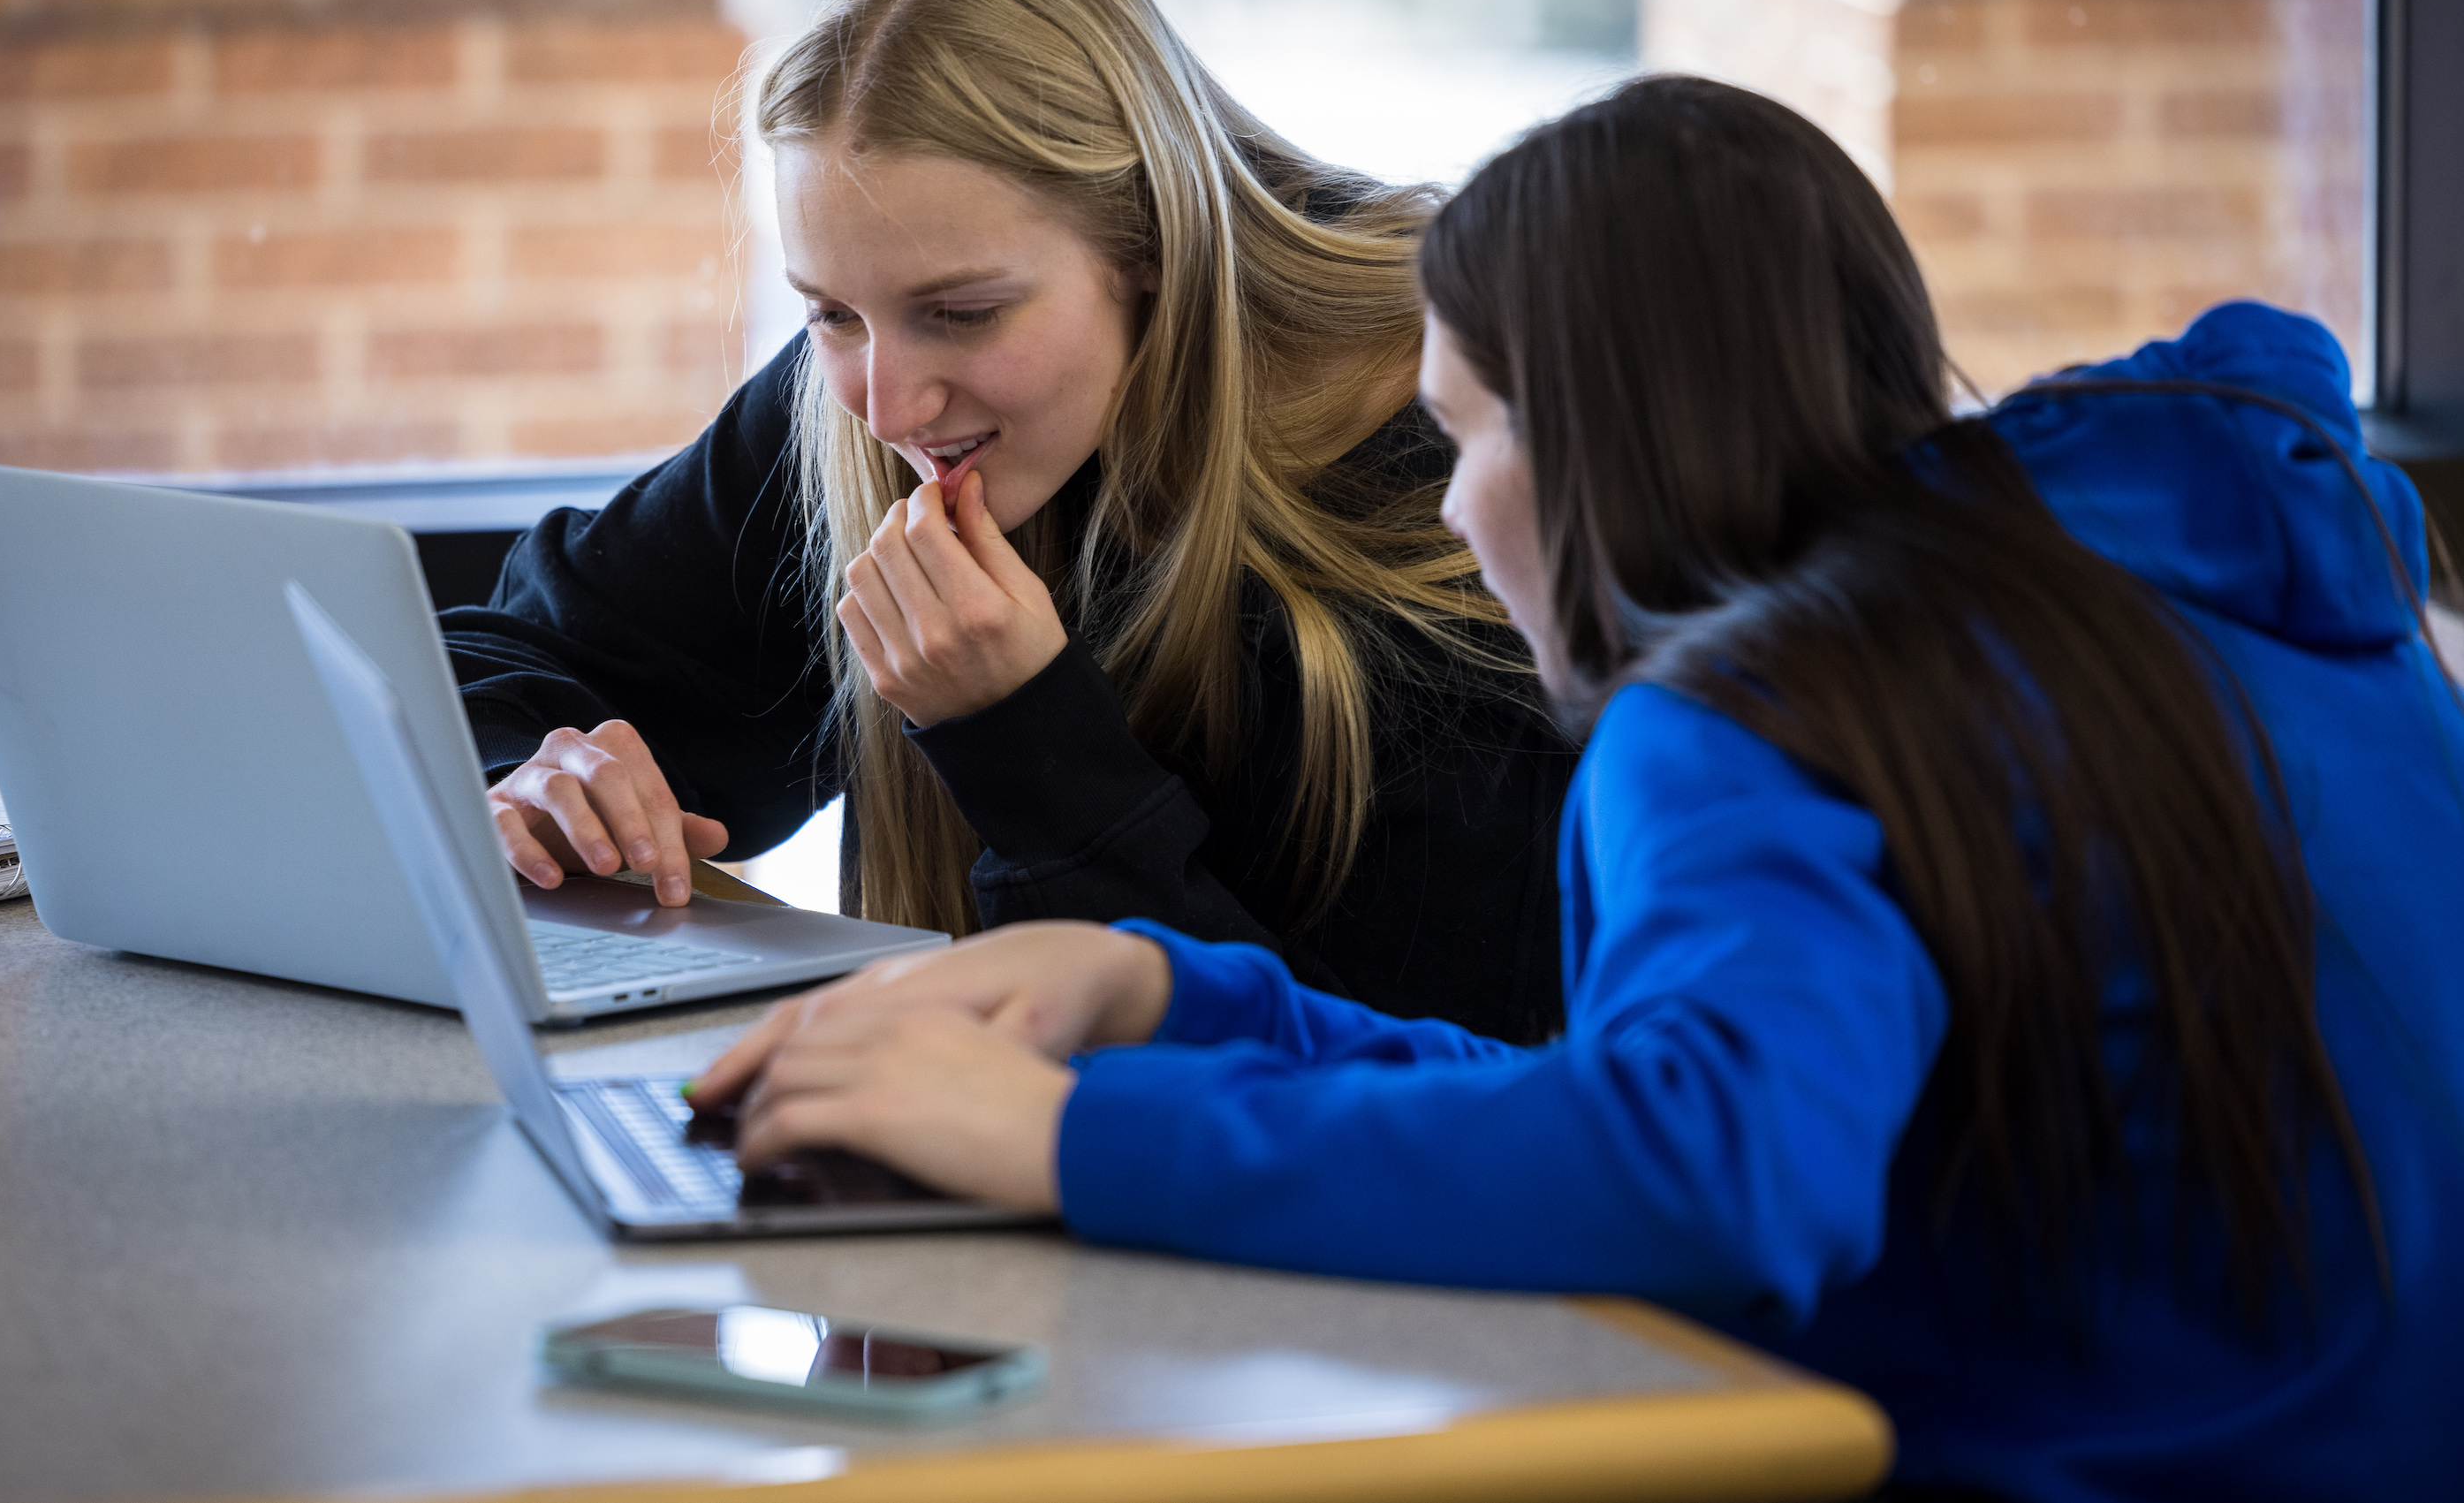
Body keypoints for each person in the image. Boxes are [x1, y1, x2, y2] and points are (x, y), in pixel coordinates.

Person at [690, 77, 2464, 1497]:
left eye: (1469, 433)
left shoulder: (1756, 716)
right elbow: (1664, 1101)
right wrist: (1176, 996)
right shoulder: (2197, 589)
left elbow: (1704, 1178)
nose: (1457, 512)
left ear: (1602, 431)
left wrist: (1065, 1138)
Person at [443, 0, 1574, 1043]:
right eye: (830, 312)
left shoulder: (1453, 484)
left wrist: (1022, 736)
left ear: (1149, 245)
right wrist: (533, 777)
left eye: (964, 313)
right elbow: (515, 653)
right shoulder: (879, 383)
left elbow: (1396, 1116)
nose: (888, 405)